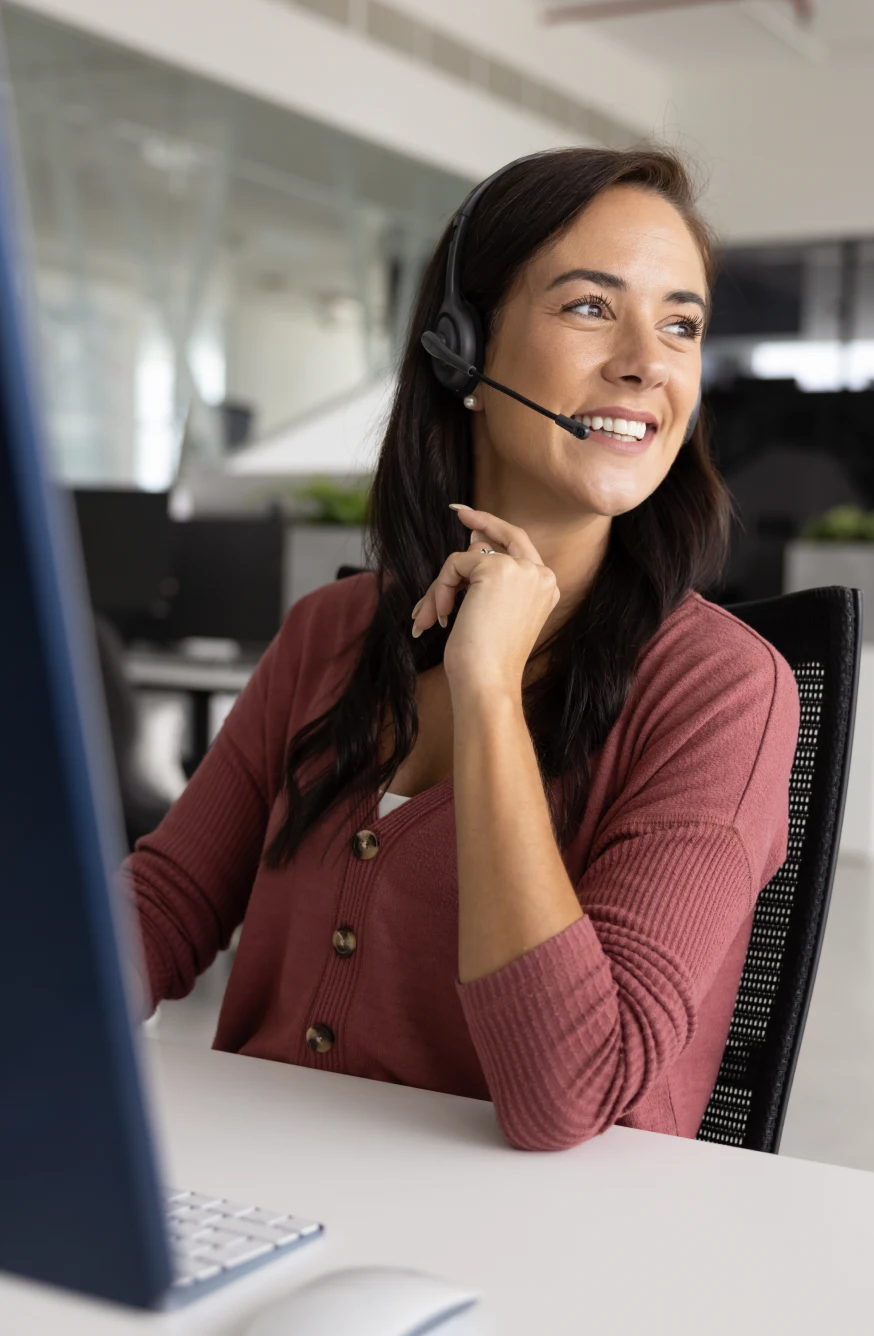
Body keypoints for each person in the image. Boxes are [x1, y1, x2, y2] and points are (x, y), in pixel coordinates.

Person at [125, 148, 799, 1151]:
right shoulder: (332, 631)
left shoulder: (722, 689)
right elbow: (164, 910)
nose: (645, 363)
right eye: (587, 307)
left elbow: (567, 1095)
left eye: (680, 325)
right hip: (267, 1190)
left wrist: (485, 692)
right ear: (462, 349)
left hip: (529, 1257)